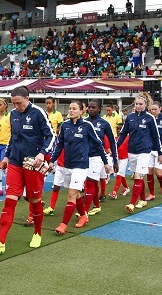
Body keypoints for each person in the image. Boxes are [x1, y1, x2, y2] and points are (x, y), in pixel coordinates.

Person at [0, 85, 55, 253]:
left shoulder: (38, 113)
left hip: (33, 164)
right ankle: (0, 241)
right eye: (14, 104)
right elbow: (13, 138)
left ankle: (37, 233)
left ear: (27, 98)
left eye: (19, 103)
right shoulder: (13, 115)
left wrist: (42, 154)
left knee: (35, 200)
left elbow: (51, 136)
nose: (16, 107)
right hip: (15, 163)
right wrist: (7, 156)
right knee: (10, 201)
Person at [49, 100, 109, 234]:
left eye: (74, 108)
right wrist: (52, 160)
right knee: (75, 194)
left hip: (81, 166)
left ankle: (63, 225)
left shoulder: (87, 126)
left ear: (82, 111)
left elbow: (98, 144)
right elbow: (60, 145)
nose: (71, 111)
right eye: (70, 108)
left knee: (71, 194)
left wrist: (105, 162)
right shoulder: (65, 125)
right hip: (67, 165)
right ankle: (83, 216)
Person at [117, 92, 162, 213]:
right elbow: (123, 133)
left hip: (144, 151)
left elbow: (155, 136)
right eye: (136, 104)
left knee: (138, 175)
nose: (138, 106)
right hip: (132, 151)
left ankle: (132, 203)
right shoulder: (130, 117)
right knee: (139, 177)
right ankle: (143, 199)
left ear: (146, 104)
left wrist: (160, 152)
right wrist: (116, 147)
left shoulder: (150, 118)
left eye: (140, 104)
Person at [84, 100, 118, 215]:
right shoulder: (84, 122)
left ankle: (84, 212)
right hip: (85, 157)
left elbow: (112, 142)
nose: (91, 109)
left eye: (94, 107)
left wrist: (115, 161)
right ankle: (97, 205)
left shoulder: (104, 123)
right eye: (89, 107)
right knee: (91, 183)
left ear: (99, 109)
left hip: (98, 157)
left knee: (90, 182)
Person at [147, 101, 162, 198]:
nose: (153, 111)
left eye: (155, 109)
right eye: (151, 109)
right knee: (149, 171)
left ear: (160, 109)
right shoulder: (148, 119)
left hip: (160, 150)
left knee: (158, 172)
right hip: (149, 149)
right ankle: (151, 194)